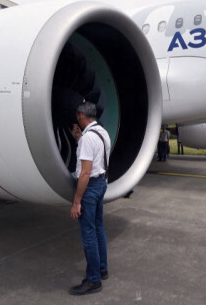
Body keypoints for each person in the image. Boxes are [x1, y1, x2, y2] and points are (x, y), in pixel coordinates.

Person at [69, 102, 111, 296]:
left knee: (88, 235)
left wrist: (77, 201)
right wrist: (79, 138)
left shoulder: (88, 139)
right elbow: (96, 157)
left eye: (78, 116)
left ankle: (93, 279)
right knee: (99, 228)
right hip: (102, 183)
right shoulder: (103, 133)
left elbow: (85, 173)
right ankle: (102, 269)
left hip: (90, 187)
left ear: (81, 116)